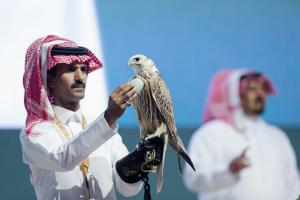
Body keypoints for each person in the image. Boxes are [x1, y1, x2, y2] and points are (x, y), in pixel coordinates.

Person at [20, 35, 162, 200]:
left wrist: (140, 161)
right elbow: (62, 159)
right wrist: (109, 117)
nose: (80, 77)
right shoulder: (35, 132)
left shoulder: (106, 131)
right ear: (49, 79)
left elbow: (127, 189)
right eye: (71, 69)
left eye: (84, 69)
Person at [183, 69, 300, 200]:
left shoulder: (278, 137)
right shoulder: (210, 134)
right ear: (233, 94)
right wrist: (228, 170)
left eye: (262, 88)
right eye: (252, 89)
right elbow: (192, 178)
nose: (260, 94)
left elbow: (293, 184)